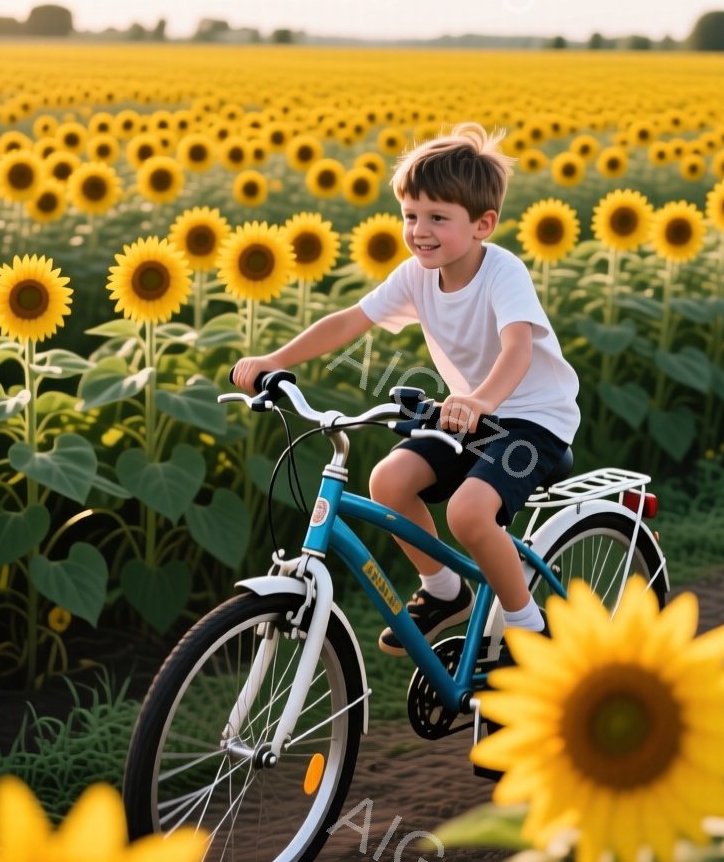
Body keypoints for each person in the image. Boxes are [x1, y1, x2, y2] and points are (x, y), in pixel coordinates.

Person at [231, 122, 580, 660]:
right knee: (388, 480)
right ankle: (444, 589)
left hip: (534, 417)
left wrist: (482, 400)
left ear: (483, 224)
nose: (420, 230)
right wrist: (276, 361)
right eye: (411, 216)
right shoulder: (417, 274)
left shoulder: (502, 273)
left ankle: (527, 625)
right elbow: (350, 321)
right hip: (468, 411)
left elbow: (518, 350)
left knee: (468, 514)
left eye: (438, 218)